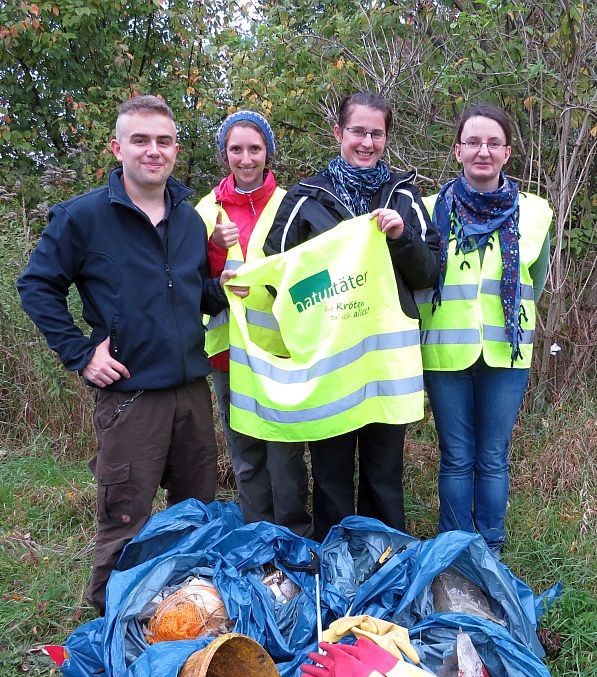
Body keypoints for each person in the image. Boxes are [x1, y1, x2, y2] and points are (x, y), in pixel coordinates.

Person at [18, 95, 239, 614]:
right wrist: (80, 353)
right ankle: (106, 637)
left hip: (190, 391)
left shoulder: (188, 221)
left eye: (163, 141)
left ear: (176, 150)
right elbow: (36, 286)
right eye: (140, 140)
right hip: (131, 398)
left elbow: (188, 295)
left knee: (193, 519)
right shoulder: (84, 217)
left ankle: (181, 625)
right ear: (118, 147)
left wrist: (221, 287)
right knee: (124, 522)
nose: (153, 151)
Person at [264, 91, 440, 541]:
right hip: (331, 362)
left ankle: (385, 561)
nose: (367, 142)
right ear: (338, 132)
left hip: (386, 361)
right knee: (332, 473)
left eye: (376, 133)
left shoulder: (404, 196)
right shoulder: (307, 199)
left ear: (386, 138)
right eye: (358, 131)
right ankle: (336, 559)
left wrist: (401, 237)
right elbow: (275, 268)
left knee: (384, 473)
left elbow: (428, 271)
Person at [416, 103, 553, 553]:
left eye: (493, 142)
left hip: (506, 355)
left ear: (507, 152)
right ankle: (454, 551)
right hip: (445, 353)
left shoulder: (534, 213)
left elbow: (539, 278)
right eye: (473, 142)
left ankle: (489, 550)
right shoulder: (430, 210)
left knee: (492, 458)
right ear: (457, 150)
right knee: (456, 458)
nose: (483, 151)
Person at [196, 110, 312, 536]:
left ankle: (294, 537)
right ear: (224, 154)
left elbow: (306, 273)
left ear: (268, 152)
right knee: (244, 451)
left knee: (284, 451)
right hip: (227, 350)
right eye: (236, 149)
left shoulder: (292, 203)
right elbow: (191, 280)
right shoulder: (206, 210)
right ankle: (256, 538)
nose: (246, 159)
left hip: (279, 349)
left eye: (255, 149)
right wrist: (213, 249)